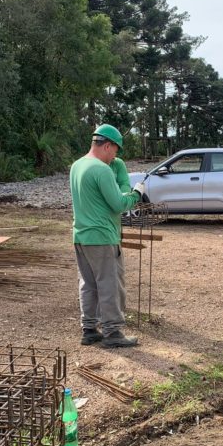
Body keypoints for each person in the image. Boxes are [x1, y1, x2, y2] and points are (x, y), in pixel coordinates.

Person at [70, 124, 145, 348]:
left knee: (88, 284)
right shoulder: (101, 169)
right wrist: (136, 193)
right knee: (110, 284)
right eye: (115, 151)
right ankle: (113, 332)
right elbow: (119, 204)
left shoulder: (77, 165)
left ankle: (89, 329)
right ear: (107, 146)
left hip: (81, 235)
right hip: (102, 237)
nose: (115, 157)